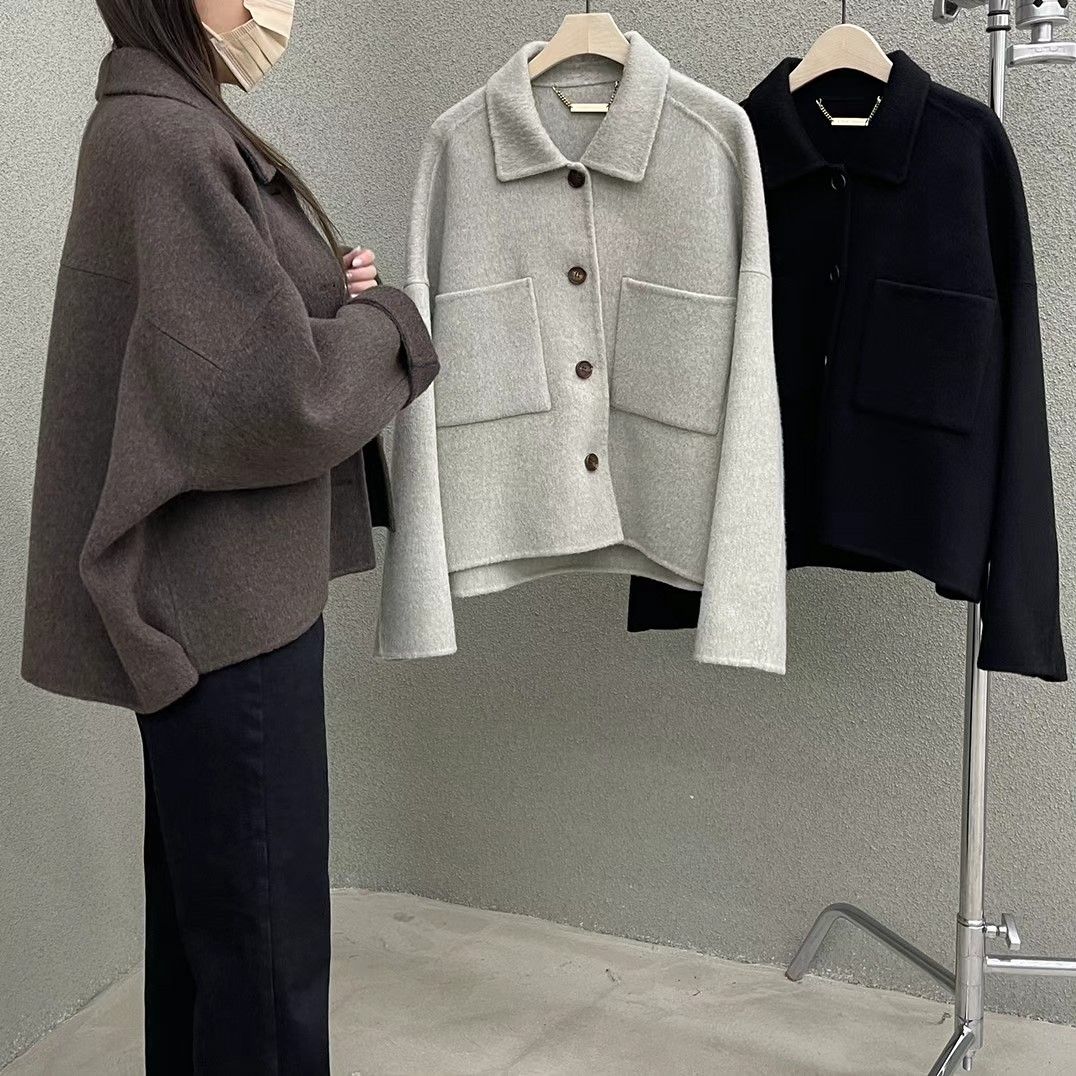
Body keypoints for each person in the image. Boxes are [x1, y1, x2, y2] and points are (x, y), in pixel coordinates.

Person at [21, 1, 439, 1071]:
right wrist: (388, 324)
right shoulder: (172, 137)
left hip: (204, 601)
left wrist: (322, 297)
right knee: (262, 955)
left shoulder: (160, 119)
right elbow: (275, 396)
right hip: (225, 613)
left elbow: (210, 350)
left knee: (211, 940)